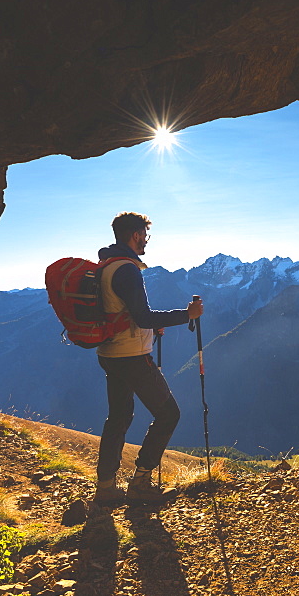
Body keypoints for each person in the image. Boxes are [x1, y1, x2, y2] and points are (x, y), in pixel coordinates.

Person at [93, 212, 203, 504]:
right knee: (169, 414)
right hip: (131, 356)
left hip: (109, 353)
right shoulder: (127, 269)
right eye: (145, 235)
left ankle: (105, 487)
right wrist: (186, 315)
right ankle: (141, 481)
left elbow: (125, 313)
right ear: (135, 235)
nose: (146, 241)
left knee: (117, 417)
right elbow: (142, 317)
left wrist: (154, 324)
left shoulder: (106, 266)